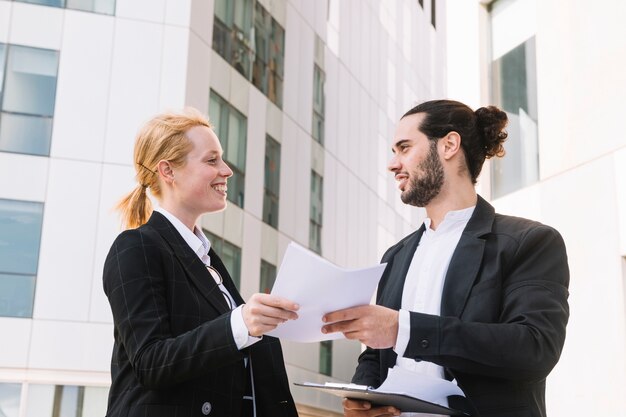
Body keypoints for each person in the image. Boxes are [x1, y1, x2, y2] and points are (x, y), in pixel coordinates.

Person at [321, 100, 570, 417]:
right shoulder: (396, 256)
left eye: (404, 148)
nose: (393, 164)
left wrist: (404, 329)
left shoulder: (529, 242)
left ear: (449, 145)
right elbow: (377, 351)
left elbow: (534, 348)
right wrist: (364, 397)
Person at [102, 108, 300, 417]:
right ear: (168, 171)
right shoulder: (136, 247)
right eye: (212, 160)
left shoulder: (207, 260)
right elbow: (151, 361)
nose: (227, 170)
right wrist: (242, 323)